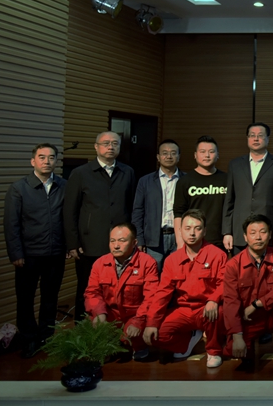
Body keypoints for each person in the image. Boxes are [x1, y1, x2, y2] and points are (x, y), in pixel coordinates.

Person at [4, 143, 68, 358]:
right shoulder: (19, 188)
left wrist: (68, 245)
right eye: (42, 157)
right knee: (25, 300)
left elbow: (69, 219)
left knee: (50, 298)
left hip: (55, 253)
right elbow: (11, 224)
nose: (46, 161)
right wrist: (16, 253)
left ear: (56, 161)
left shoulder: (64, 185)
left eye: (51, 157)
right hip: (28, 255)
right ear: (33, 161)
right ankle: (29, 339)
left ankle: (46, 338)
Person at [64, 131, 136, 320]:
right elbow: (70, 211)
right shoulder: (80, 173)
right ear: (96, 147)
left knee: (118, 288)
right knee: (87, 289)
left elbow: (132, 207)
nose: (110, 147)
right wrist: (72, 243)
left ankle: (115, 328)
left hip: (121, 243)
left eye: (115, 143)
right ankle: (84, 330)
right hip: (89, 243)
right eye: (105, 143)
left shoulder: (128, 172)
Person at [143, 210, 227, 368]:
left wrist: (214, 300)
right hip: (183, 310)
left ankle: (214, 351)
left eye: (197, 228)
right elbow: (162, 294)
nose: (192, 233)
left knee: (218, 312)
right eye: (187, 228)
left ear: (204, 231)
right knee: (155, 334)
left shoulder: (218, 255)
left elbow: (224, 283)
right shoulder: (172, 260)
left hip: (207, 307)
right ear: (180, 231)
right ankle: (187, 341)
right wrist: (152, 322)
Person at [223, 214, 273, 372]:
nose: (258, 237)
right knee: (233, 350)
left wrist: (257, 304)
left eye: (263, 232)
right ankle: (247, 353)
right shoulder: (233, 265)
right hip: (249, 319)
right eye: (253, 233)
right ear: (245, 237)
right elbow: (230, 301)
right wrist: (237, 335)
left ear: (270, 235)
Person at [84, 223, 159, 360]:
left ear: (134, 242)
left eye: (122, 240)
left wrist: (138, 321)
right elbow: (92, 293)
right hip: (110, 314)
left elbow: (151, 297)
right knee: (92, 324)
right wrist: (99, 314)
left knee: (134, 336)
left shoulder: (147, 263)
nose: (116, 245)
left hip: (135, 314)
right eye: (112, 241)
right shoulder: (100, 263)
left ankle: (139, 346)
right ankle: (109, 343)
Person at [223, 123, 273, 253]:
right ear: (247, 138)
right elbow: (229, 200)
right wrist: (227, 232)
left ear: (268, 138)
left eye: (260, 135)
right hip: (239, 233)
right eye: (252, 135)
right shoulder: (235, 164)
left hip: (268, 233)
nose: (256, 139)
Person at [132, 140, 184, 271]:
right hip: (153, 239)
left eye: (173, 153)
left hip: (180, 237)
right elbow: (138, 211)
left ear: (179, 156)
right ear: (158, 157)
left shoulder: (187, 180)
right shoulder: (145, 181)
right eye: (164, 153)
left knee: (177, 275)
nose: (169, 156)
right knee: (152, 275)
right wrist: (139, 238)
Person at [173, 136, 227, 249]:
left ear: (218, 155)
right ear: (195, 155)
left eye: (211, 152)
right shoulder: (184, 181)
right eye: (202, 152)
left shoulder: (227, 179)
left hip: (221, 240)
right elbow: (178, 213)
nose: (207, 155)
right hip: (193, 240)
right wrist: (180, 240)